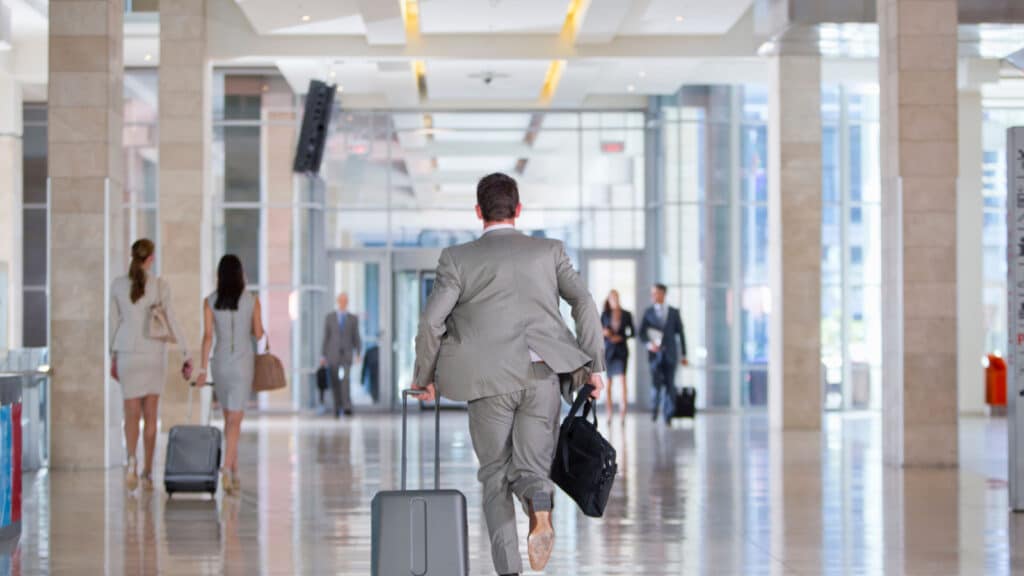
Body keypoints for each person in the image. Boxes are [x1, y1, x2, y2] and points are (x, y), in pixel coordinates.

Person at [412, 172, 605, 576]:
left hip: (487, 383)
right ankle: (538, 498)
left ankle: (509, 571)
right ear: (518, 210)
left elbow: (431, 322)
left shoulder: (456, 259)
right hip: (543, 376)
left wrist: (424, 377)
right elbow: (583, 301)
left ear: (479, 212)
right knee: (532, 470)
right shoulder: (550, 251)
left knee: (495, 476)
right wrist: (593, 365)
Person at [109, 238, 193, 492]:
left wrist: (112, 356)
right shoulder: (159, 286)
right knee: (150, 415)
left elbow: (113, 324)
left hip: (126, 352)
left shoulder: (118, 285)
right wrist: (186, 352)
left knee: (130, 414)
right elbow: (172, 320)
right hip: (153, 353)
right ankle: (147, 472)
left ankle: (131, 463)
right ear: (151, 258)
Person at [195, 255, 264, 495]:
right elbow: (258, 332)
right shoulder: (252, 301)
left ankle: (234, 472)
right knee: (235, 420)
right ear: (240, 274)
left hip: (220, 364)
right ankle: (226, 469)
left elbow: (207, 337)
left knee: (229, 419)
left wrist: (203, 369)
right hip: (243, 365)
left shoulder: (210, 301)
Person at [638, 284, 688, 425]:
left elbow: (681, 334)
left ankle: (668, 415)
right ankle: (655, 410)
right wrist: (649, 344)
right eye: (652, 293)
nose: (654, 296)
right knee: (656, 385)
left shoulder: (673, 312)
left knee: (670, 385)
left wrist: (684, 354)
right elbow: (641, 333)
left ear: (663, 294)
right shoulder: (648, 312)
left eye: (656, 293)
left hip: (670, 354)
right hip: (654, 355)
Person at [320, 292, 361, 417]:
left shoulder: (353, 318)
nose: (343, 302)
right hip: (332, 355)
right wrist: (323, 356)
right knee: (335, 382)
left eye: (345, 300)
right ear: (338, 301)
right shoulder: (330, 317)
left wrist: (358, 353)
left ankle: (347, 406)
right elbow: (326, 338)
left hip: (347, 354)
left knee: (346, 380)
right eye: (341, 300)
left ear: (347, 302)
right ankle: (337, 406)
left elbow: (356, 337)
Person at [601, 290, 635, 421]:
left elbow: (633, 333)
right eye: (611, 298)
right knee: (608, 383)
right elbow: (598, 331)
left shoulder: (626, 314)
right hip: (609, 352)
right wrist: (605, 333)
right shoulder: (605, 314)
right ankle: (609, 413)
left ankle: (623, 413)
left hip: (621, 351)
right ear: (608, 300)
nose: (614, 300)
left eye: (616, 297)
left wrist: (621, 337)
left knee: (622, 381)